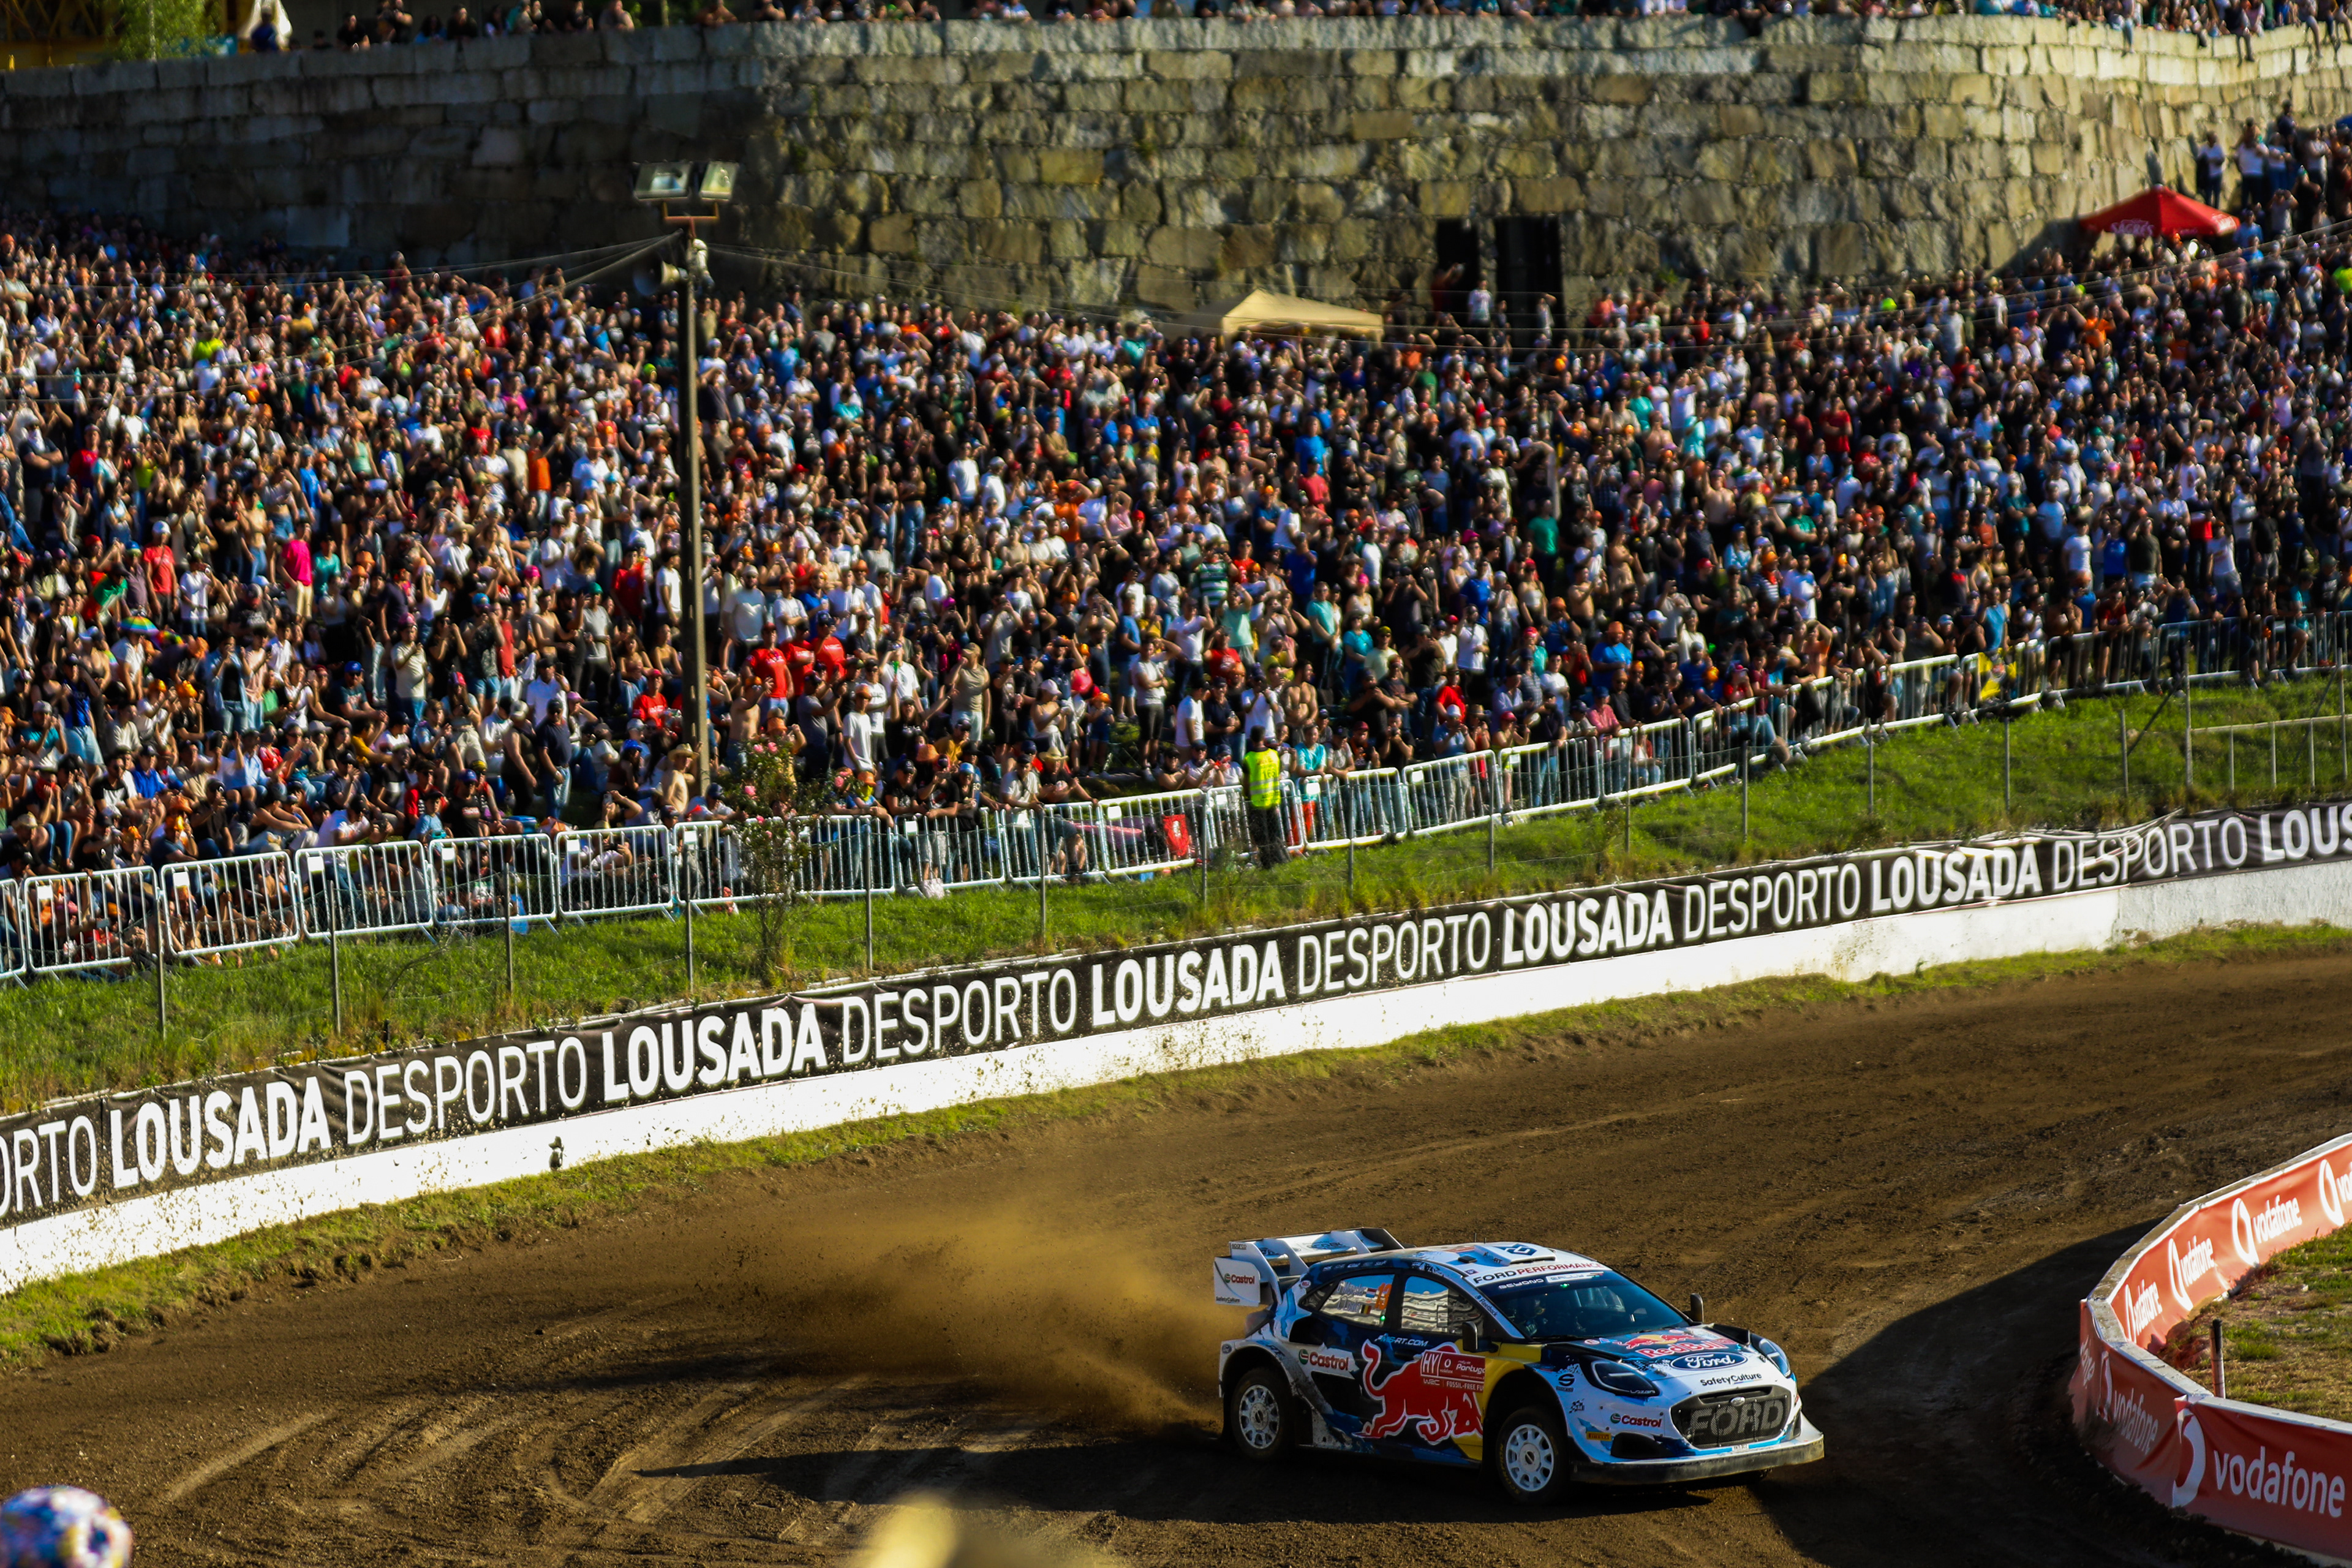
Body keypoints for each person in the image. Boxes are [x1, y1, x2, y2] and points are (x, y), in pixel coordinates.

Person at [1242, 729, 1285, 870]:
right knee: (1273, 835)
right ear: (1264, 738)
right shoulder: (1274, 755)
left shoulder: (1249, 758)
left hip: (1257, 803)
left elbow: (1246, 783)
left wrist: (1246, 796)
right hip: (1272, 801)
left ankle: (1268, 865)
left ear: (1251, 740)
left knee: (1261, 837)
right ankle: (1278, 861)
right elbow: (1278, 774)